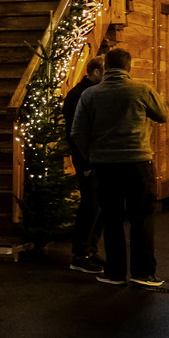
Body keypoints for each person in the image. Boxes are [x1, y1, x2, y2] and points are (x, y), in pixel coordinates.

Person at [71, 47, 168, 289]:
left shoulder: (90, 95)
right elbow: (163, 115)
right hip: (138, 162)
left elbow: (77, 132)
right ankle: (143, 273)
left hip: (104, 165)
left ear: (107, 67)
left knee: (112, 219)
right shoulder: (142, 90)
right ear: (129, 66)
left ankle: (114, 273)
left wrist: (91, 156)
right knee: (142, 217)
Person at [63, 56, 106, 274]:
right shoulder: (78, 95)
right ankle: (80, 255)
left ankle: (91, 249)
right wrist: (86, 162)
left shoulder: (90, 93)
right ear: (96, 72)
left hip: (95, 156)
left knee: (98, 205)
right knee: (90, 205)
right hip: (86, 158)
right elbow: (75, 133)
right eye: (106, 72)